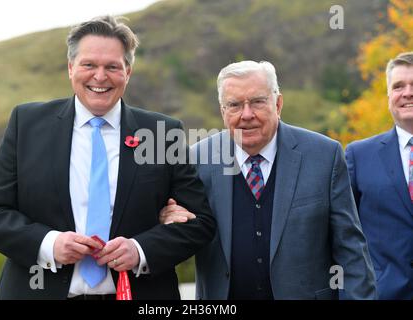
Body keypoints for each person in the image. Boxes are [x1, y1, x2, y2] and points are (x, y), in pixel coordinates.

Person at [0, 15, 215, 300]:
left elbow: (199, 223)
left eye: (112, 66)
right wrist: (49, 244)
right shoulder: (25, 124)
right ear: (70, 68)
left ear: (127, 71)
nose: (100, 77)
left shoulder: (164, 133)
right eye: (89, 65)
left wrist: (139, 250)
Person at [159, 60, 377, 299]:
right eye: (234, 105)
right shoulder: (196, 159)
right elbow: (179, 234)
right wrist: (167, 219)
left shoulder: (325, 155)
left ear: (278, 103)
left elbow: (351, 252)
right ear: (223, 111)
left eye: (257, 102)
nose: (247, 115)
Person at [345, 52, 413, 300]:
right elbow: (342, 235)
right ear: (388, 97)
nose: (407, 93)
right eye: (398, 86)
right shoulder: (358, 155)